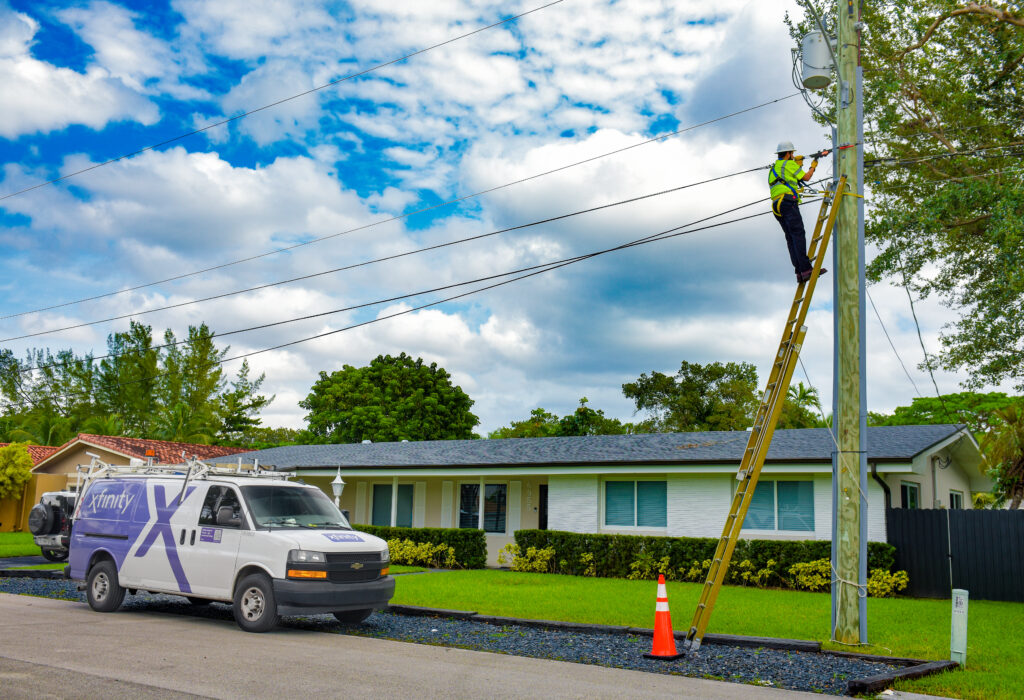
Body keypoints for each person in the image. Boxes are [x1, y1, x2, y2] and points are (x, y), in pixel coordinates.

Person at [769, 141, 829, 283]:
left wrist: (798, 164)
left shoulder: (775, 167)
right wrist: (813, 165)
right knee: (798, 235)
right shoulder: (788, 164)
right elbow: (806, 177)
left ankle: (799, 272)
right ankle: (806, 269)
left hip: (776, 205)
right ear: (788, 153)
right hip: (788, 202)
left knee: (790, 238)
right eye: (792, 153)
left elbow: (790, 178)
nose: (793, 155)